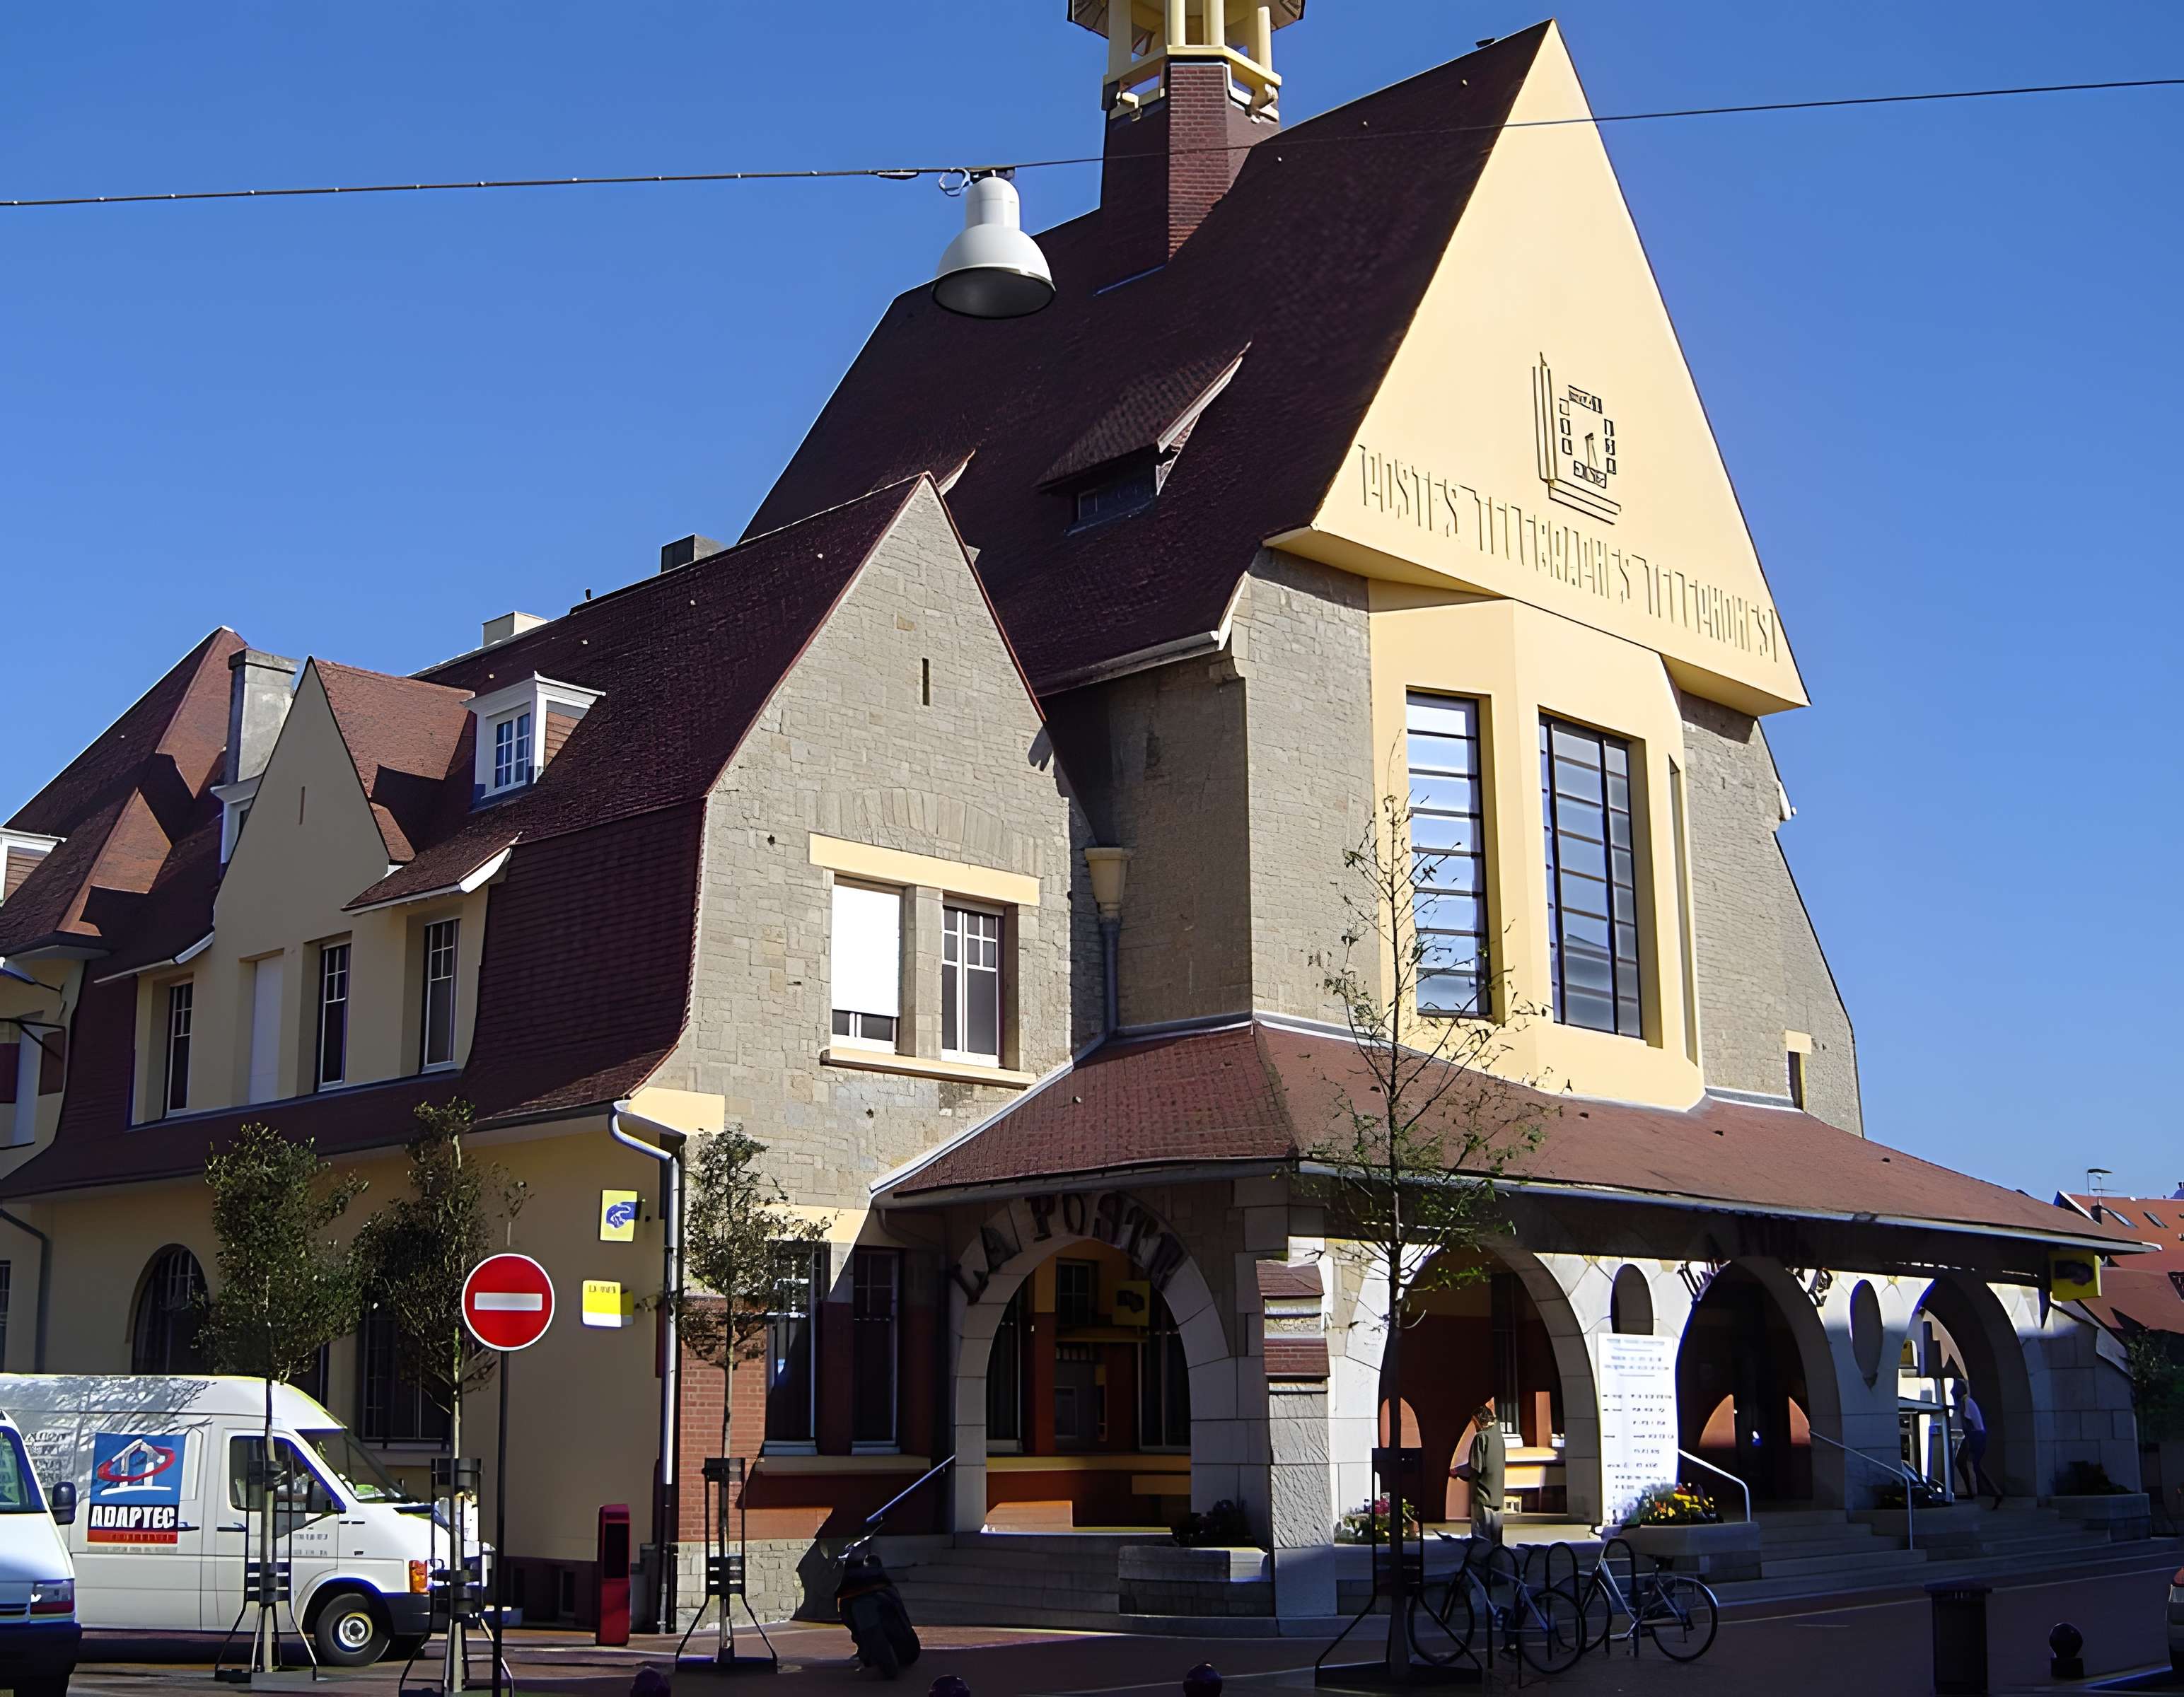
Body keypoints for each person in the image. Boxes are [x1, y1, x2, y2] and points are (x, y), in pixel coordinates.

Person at [1451, 1399, 1506, 1546]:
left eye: (1474, 1422)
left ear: (1479, 1420)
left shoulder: (1481, 1437)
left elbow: (1475, 1468)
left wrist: (1457, 1471)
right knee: (1496, 1542)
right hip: (1498, 1496)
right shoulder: (1499, 1438)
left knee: (1482, 1541)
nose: (1475, 1426)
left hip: (1483, 1497)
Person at [1951, 1378, 2002, 1510]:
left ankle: (1994, 1492)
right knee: (1967, 1464)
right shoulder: (1965, 1402)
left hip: (1975, 1436)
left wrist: (1969, 1444)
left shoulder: (1966, 1402)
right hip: (1975, 1436)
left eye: (1954, 1389)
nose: (1951, 1392)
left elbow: (1968, 1425)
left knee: (1974, 1466)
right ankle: (1983, 1492)